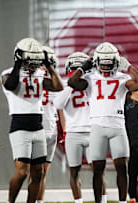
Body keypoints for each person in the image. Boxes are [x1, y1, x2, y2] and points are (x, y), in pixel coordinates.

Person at [68, 42, 138, 203]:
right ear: (96, 61)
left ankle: (122, 201)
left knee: (121, 168)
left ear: (116, 62)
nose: (105, 67)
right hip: (97, 126)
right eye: (103, 62)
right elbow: (72, 82)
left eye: (109, 63)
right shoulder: (90, 77)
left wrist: (129, 67)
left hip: (118, 126)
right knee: (98, 170)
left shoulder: (122, 77)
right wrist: (84, 67)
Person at [1, 38, 63, 203]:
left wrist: (48, 65)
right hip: (20, 126)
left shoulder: (40, 74)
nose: (32, 65)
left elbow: (58, 86)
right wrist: (18, 63)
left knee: (38, 173)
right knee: (22, 172)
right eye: (29, 61)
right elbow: (11, 85)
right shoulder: (8, 74)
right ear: (20, 58)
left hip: (38, 127)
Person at [53, 52, 92, 203]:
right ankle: (78, 201)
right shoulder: (65, 84)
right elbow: (58, 105)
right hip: (74, 131)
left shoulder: (92, 82)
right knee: (74, 171)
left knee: (98, 169)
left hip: (92, 130)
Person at [36, 46, 60, 203]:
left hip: (51, 126)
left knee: (43, 172)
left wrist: (62, 128)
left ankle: (39, 201)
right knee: (36, 173)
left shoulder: (54, 82)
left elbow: (60, 107)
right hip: (37, 128)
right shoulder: (33, 79)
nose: (44, 66)